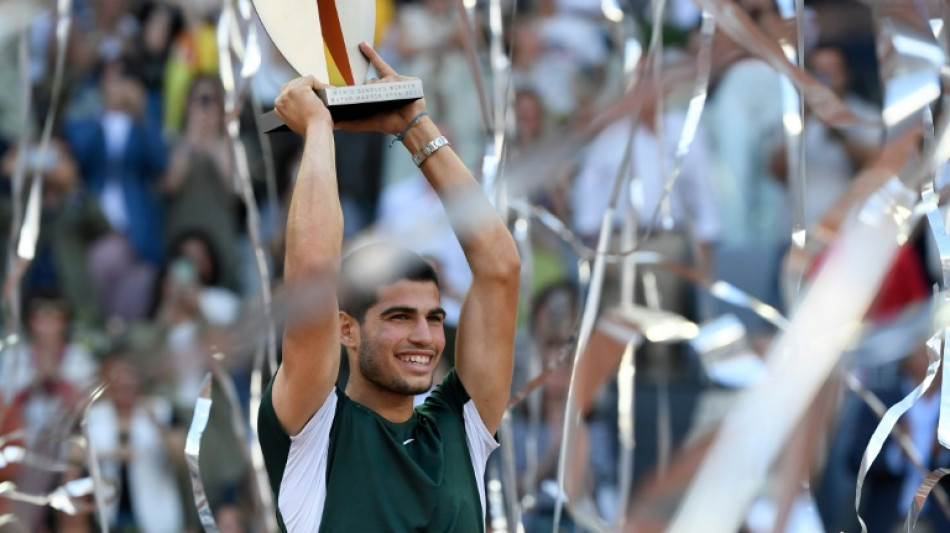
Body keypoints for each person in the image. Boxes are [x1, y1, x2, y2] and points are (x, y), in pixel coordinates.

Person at [257, 43, 521, 531]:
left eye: (434, 318)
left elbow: (499, 269)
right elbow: (313, 276)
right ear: (346, 329)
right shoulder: (316, 431)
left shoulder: (459, 430)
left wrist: (412, 124)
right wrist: (318, 130)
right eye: (399, 317)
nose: (424, 335)